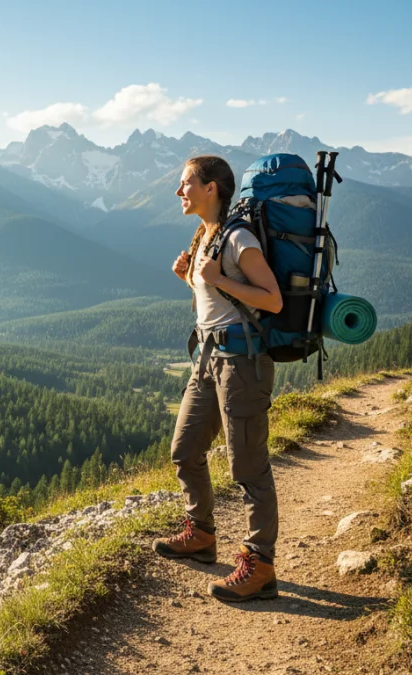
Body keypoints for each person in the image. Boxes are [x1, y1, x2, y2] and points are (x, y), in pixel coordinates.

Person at [151, 155, 283, 602]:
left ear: (212, 188)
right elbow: (217, 298)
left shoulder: (238, 238)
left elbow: (272, 300)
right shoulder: (205, 235)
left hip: (241, 364)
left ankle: (260, 565)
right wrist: (190, 280)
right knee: (185, 449)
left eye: (186, 182)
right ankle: (202, 535)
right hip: (207, 361)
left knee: (246, 466)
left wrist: (216, 280)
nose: (179, 191)